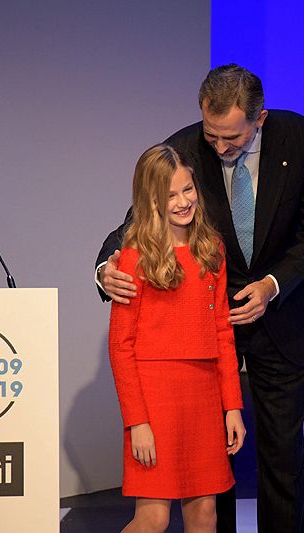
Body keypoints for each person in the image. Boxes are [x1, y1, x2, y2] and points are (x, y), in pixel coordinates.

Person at [97, 64, 304, 533]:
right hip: (209, 335)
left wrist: (272, 284)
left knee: (282, 458)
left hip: (281, 319)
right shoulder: (186, 148)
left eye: (232, 137)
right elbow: (133, 222)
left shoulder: (302, 140)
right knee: (212, 484)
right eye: (212, 134)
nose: (220, 147)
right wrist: (106, 265)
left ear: (259, 119)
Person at [107, 144, 247, 533]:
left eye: (188, 190)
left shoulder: (211, 250)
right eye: (170, 195)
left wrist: (232, 406)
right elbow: (121, 347)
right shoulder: (134, 258)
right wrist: (137, 422)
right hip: (155, 403)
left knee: (205, 515)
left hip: (203, 398)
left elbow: (222, 332)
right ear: (150, 199)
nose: (183, 201)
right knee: (153, 518)